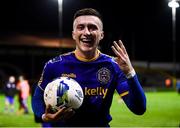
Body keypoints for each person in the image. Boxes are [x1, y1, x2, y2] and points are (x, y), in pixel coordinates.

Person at [32, 8, 146, 127]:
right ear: (73, 34)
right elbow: (37, 98)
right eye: (81, 27)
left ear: (101, 35)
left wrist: (130, 73)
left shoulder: (114, 65)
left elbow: (139, 109)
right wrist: (44, 117)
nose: (87, 32)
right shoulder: (54, 65)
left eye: (93, 27)